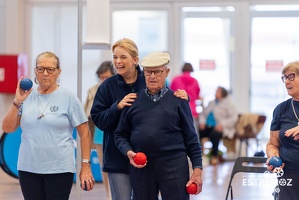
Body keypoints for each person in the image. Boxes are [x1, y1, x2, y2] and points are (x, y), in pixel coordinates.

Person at [90, 38, 189, 200]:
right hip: (118, 158)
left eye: (123, 57)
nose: (118, 61)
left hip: (147, 160)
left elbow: (169, 102)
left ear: (135, 60)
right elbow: (99, 120)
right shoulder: (107, 86)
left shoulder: (150, 79)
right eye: (115, 57)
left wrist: (184, 98)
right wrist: (118, 106)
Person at [1, 51, 94, 200]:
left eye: (50, 69)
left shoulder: (69, 98)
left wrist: (86, 166)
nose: (45, 73)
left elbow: (85, 133)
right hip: (28, 168)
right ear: (35, 71)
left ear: (58, 72)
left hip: (60, 169)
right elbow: (7, 128)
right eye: (40, 69)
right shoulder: (26, 97)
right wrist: (17, 101)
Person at [114, 51, 203, 200]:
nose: (153, 76)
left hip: (174, 166)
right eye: (148, 72)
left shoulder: (179, 101)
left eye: (157, 72)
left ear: (166, 72)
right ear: (143, 73)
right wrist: (128, 151)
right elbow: (120, 135)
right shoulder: (132, 101)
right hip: (142, 169)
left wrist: (197, 170)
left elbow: (192, 140)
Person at [266, 60, 299, 199]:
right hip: (288, 174)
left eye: (291, 76)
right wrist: (273, 156)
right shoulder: (280, 110)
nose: (286, 82)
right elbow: (272, 144)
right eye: (284, 78)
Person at [84, 61, 115, 200]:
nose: (104, 80)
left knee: (120, 168)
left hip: (118, 135)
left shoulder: (119, 89)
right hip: (99, 135)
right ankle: (109, 195)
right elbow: (87, 113)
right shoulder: (93, 90)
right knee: (105, 167)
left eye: (107, 77)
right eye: (101, 77)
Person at [199, 86, 238, 165]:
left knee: (214, 134)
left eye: (217, 91)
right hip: (208, 125)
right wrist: (202, 122)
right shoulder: (211, 103)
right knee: (198, 132)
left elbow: (234, 118)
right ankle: (199, 156)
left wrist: (222, 124)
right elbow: (203, 114)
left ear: (222, 93)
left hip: (220, 127)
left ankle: (214, 156)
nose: (215, 93)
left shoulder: (228, 104)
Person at [170, 62, 201, 132]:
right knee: (193, 133)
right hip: (192, 110)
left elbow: (170, 94)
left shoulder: (176, 79)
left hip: (178, 110)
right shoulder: (195, 81)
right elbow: (197, 96)